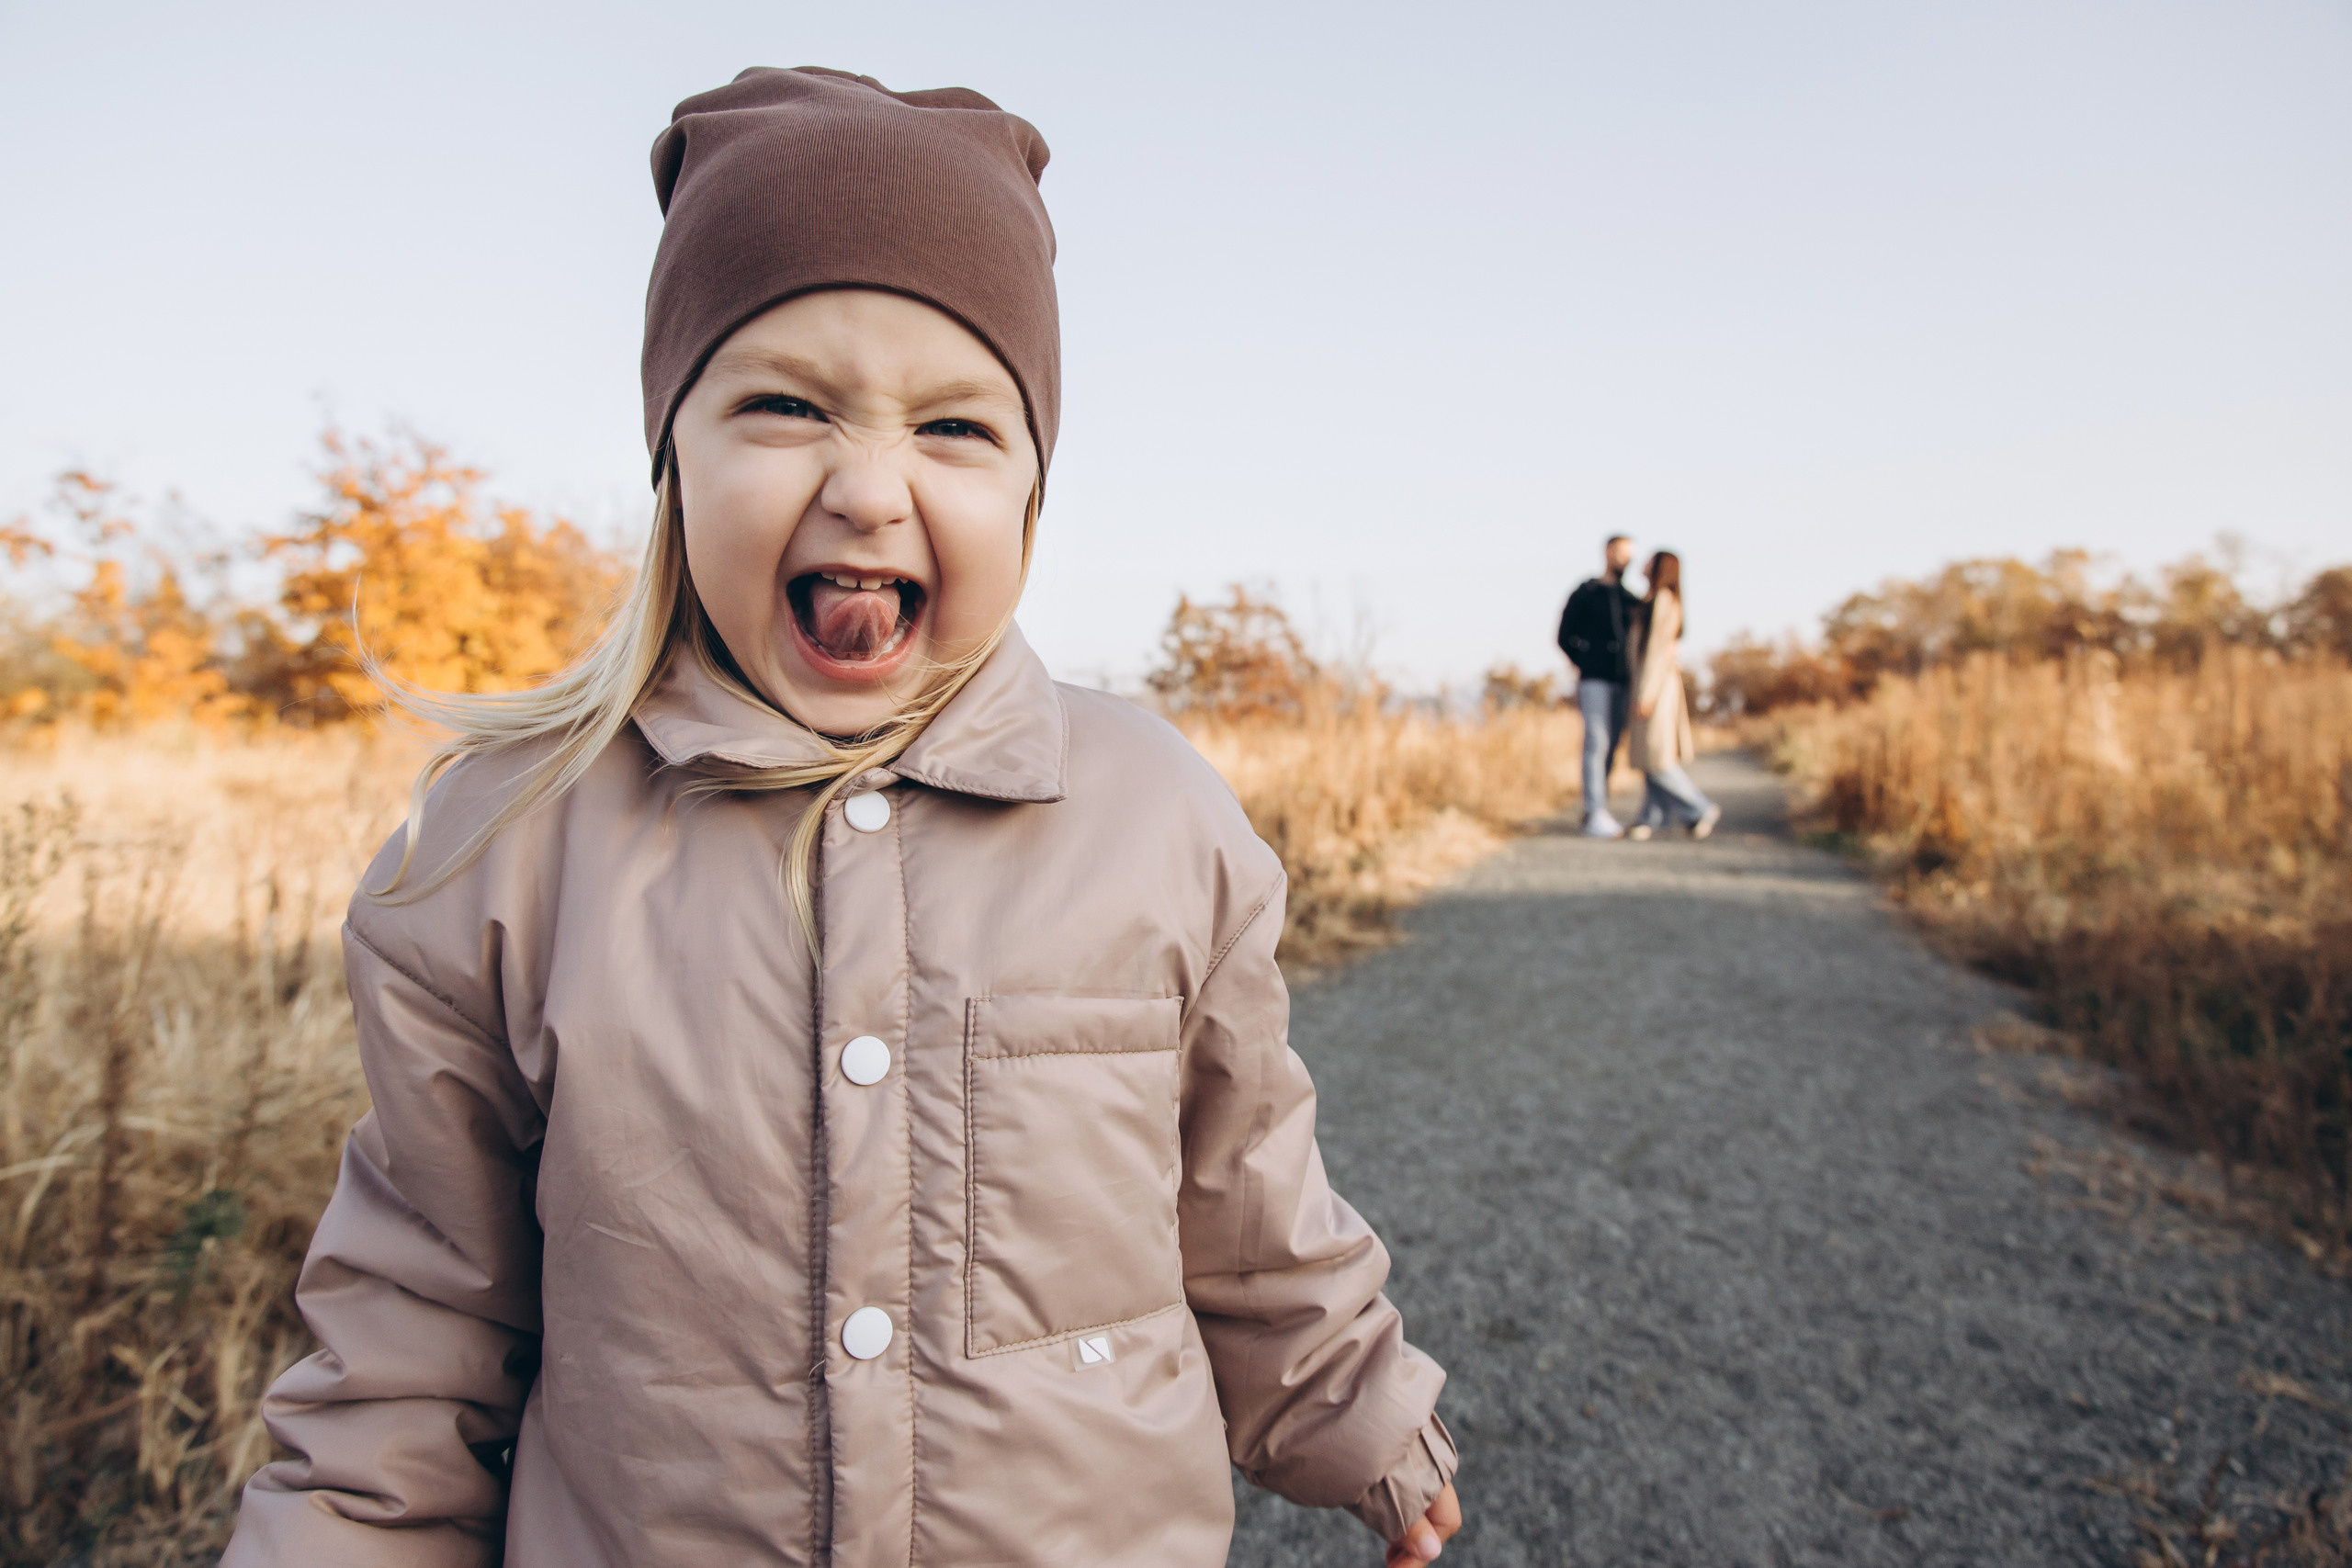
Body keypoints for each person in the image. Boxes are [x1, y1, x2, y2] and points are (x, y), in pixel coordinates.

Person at [221, 68, 1460, 1568]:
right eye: (785, 405)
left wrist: (1360, 1412)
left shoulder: (1153, 813)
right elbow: (418, 1313)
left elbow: (1249, 1186)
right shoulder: (507, 848)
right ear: (674, 461)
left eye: (954, 428)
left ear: (1031, 498)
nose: (870, 488)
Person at [1623, 549, 1722, 841]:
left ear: (1660, 567)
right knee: (1649, 757)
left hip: (1655, 687)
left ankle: (1699, 808)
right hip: (1648, 684)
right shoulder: (1652, 600)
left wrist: (1646, 694)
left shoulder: (1664, 601)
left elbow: (1656, 652)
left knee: (1657, 758)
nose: (1643, 564)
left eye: (1649, 561)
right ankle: (1651, 818)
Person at [1556, 534, 1640, 837]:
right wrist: (1587, 660)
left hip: (1623, 682)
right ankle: (1595, 812)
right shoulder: (1586, 592)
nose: (1624, 559)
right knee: (1596, 741)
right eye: (1620, 552)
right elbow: (1564, 636)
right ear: (1607, 552)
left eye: (1629, 555)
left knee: (1612, 744)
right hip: (1594, 679)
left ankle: (1597, 807)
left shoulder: (1631, 599)